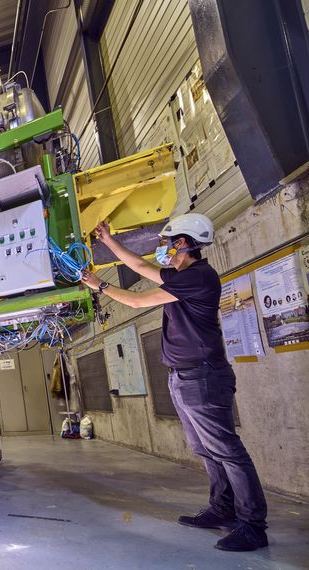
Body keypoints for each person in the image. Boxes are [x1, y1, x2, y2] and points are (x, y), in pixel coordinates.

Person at [80, 213, 268, 552]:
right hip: (184, 377)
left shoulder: (198, 277)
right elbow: (138, 265)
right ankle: (223, 509)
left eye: (168, 243)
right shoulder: (181, 276)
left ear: (183, 243)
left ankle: (253, 526)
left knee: (227, 450)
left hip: (203, 376)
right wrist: (108, 241)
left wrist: (101, 287)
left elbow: (137, 300)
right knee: (205, 449)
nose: (164, 249)